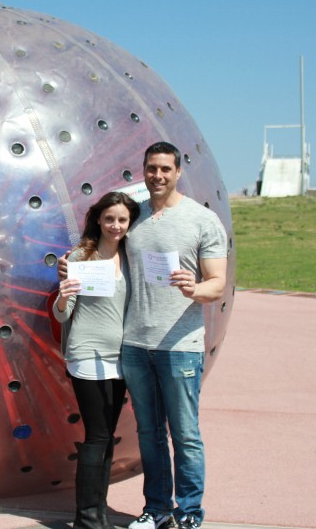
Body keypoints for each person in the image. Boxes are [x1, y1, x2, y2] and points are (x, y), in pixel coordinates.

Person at [58, 142, 228, 529]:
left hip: (180, 347)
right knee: (149, 434)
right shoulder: (135, 218)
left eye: (166, 169)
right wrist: (72, 264)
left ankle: (188, 512)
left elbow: (217, 284)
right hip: (134, 346)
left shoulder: (202, 220)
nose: (158, 175)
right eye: (152, 168)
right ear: (144, 170)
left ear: (178, 171)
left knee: (184, 435)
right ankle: (157, 509)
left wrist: (194, 289)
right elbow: (102, 241)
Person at [55, 191, 140, 529]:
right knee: (98, 435)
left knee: (106, 436)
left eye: (122, 219)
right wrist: (63, 297)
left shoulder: (133, 260)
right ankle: (88, 519)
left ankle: (97, 514)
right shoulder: (81, 257)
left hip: (121, 359)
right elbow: (63, 315)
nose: (115, 225)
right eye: (109, 219)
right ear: (98, 220)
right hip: (87, 356)